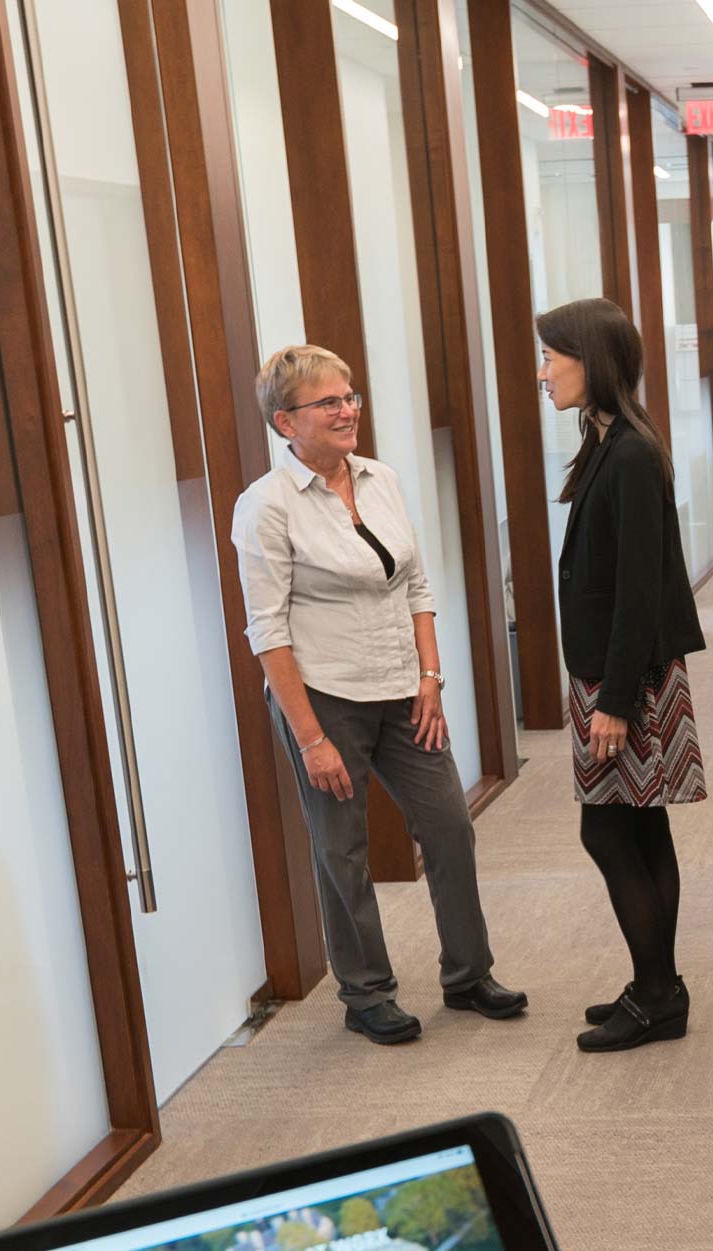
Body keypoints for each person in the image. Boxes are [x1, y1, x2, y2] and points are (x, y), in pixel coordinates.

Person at [231, 344, 526, 1045]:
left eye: (351, 396)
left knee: (450, 828)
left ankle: (468, 973)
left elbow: (416, 586)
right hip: (324, 698)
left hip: (404, 691)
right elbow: (267, 633)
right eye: (328, 401)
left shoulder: (381, 479)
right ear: (285, 422)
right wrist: (310, 739)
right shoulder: (266, 507)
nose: (347, 410)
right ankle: (366, 993)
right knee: (344, 851)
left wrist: (431, 679)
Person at [538, 298, 709, 1053]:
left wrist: (612, 702)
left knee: (608, 830)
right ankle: (655, 986)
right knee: (638, 825)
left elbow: (640, 587)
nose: (543, 373)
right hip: (616, 670)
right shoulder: (609, 440)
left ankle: (658, 991)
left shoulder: (633, 455)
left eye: (553, 357)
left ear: (592, 361)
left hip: (624, 678)